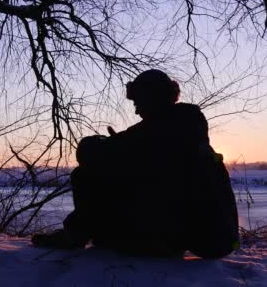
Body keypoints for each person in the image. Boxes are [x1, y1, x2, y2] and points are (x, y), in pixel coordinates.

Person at [32, 69, 239, 259]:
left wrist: (108, 148)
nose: (136, 111)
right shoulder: (185, 127)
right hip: (203, 238)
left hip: (173, 235)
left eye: (138, 102)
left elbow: (90, 152)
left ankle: (76, 236)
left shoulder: (158, 131)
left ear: (152, 99)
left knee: (86, 175)